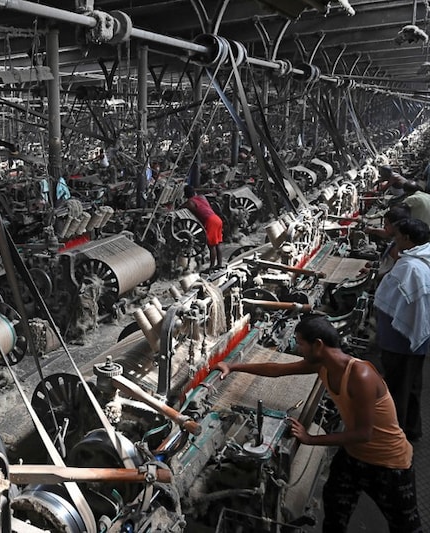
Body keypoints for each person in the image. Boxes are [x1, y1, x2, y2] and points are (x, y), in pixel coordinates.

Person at [214, 315, 421, 533]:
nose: (298, 348)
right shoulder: (323, 365)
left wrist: (310, 439)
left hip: (389, 464)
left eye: (301, 343)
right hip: (353, 457)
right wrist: (232, 366)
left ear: (318, 345)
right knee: (334, 517)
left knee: (407, 527)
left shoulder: (361, 376)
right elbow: (277, 369)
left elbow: (364, 433)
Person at [374, 218, 430, 442]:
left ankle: (394, 437)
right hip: (418, 338)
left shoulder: (410, 267)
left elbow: (400, 299)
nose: (394, 239)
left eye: (397, 236)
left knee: (397, 390)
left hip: (401, 340)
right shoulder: (422, 257)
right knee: (412, 385)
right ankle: (413, 429)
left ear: (407, 238)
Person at [183, 184, 223, 271]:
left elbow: (182, 208)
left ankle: (212, 267)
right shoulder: (202, 197)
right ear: (194, 192)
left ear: (185, 195)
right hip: (217, 219)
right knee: (218, 243)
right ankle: (219, 264)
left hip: (210, 221)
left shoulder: (190, 202)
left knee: (211, 246)